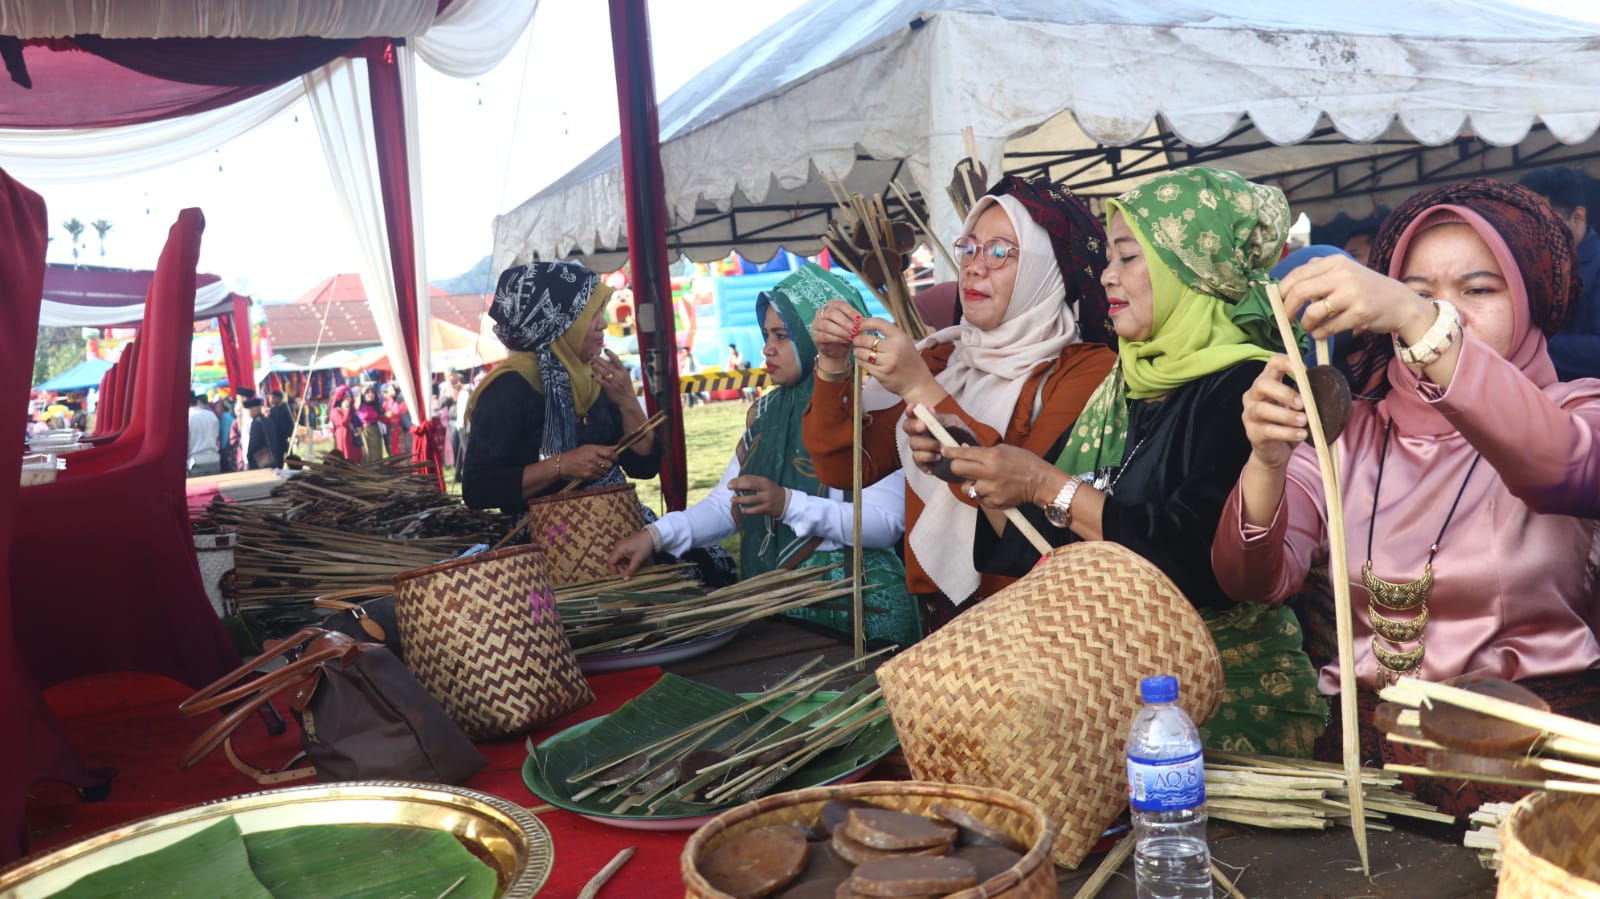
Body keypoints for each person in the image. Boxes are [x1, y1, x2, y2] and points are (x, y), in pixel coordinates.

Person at [1214, 178, 1600, 815]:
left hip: (1528, 773)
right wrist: (1265, 460)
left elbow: (1559, 471)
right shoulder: (1352, 433)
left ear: (1530, 299)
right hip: (1363, 776)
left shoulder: (1574, 410)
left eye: (1478, 291)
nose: (1452, 314)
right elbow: (1253, 578)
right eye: (1419, 294)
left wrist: (1423, 317)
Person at [914, 167, 1326, 756]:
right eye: (1109, 257)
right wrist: (975, 470)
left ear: (1192, 270)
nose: (1107, 275)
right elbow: (1045, 552)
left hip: (1218, 699)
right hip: (1106, 694)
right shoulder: (1124, 382)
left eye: (1130, 257)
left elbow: (1196, 562)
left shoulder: (1248, 389)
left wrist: (1043, 484)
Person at [803, 175, 1118, 629]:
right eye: (969, 247)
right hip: (945, 616)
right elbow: (847, 468)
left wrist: (919, 389)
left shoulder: (1086, 368)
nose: (973, 266)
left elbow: (1025, 497)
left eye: (1000, 252)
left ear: (1043, 270)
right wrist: (833, 366)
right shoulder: (946, 355)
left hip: (1038, 615)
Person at [608, 265, 920, 645]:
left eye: (782, 336)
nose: (767, 348)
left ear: (817, 340)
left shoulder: (873, 407)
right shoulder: (767, 414)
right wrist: (655, 536)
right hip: (778, 602)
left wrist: (788, 504)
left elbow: (884, 523)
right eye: (766, 335)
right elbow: (730, 503)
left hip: (858, 604)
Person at [461, 260, 659, 514]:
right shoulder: (508, 389)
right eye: (591, 314)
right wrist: (561, 465)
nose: (603, 323)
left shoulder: (595, 377)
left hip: (613, 521)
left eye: (602, 311)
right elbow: (478, 489)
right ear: (557, 321)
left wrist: (627, 401)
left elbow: (644, 466)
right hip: (545, 538)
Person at [1518, 166, 1600, 380]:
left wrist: (1531, 346)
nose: (1533, 235)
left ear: (1578, 216)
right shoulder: (1529, 264)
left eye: (1543, 225)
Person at [185, 391, 221, 477]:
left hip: (195, 462)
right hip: (214, 459)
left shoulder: (187, 417)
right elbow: (217, 438)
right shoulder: (211, 415)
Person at [328, 385, 362, 463]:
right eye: (346, 397)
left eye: (350, 396)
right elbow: (343, 423)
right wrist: (346, 410)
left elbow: (358, 422)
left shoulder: (352, 410)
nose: (348, 399)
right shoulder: (336, 411)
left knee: (354, 457)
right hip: (343, 437)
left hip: (353, 437)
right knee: (346, 456)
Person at [356, 384, 385, 461]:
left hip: (376, 430)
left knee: (377, 451)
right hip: (365, 431)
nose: (370, 394)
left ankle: (378, 469)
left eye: (372, 392)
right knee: (368, 452)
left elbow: (381, 416)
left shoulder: (376, 406)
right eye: (368, 393)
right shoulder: (360, 406)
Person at [241, 397, 271, 470]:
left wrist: (248, 455)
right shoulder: (268, 420)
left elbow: (254, 443)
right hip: (271, 458)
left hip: (259, 461)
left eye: (250, 409)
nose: (249, 412)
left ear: (255, 409)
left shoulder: (256, 423)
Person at [383, 382, 412, 457]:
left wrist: (392, 412)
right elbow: (383, 416)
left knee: (401, 445)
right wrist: (386, 415)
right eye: (389, 390)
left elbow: (401, 410)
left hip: (399, 427)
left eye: (392, 389)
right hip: (390, 427)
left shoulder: (399, 401)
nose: (391, 391)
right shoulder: (386, 403)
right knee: (392, 445)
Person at [266, 389, 293, 468]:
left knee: (289, 455)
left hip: (285, 437)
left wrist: (290, 435)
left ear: (278, 398)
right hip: (276, 438)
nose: (271, 400)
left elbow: (290, 422)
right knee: (278, 457)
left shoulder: (285, 408)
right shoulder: (272, 410)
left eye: (273, 398)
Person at [216, 397, 237, 473]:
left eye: (217, 407)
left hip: (227, 448)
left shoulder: (226, 417)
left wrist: (223, 447)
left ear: (222, 407)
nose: (216, 409)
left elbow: (226, 433)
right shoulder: (227, 416)